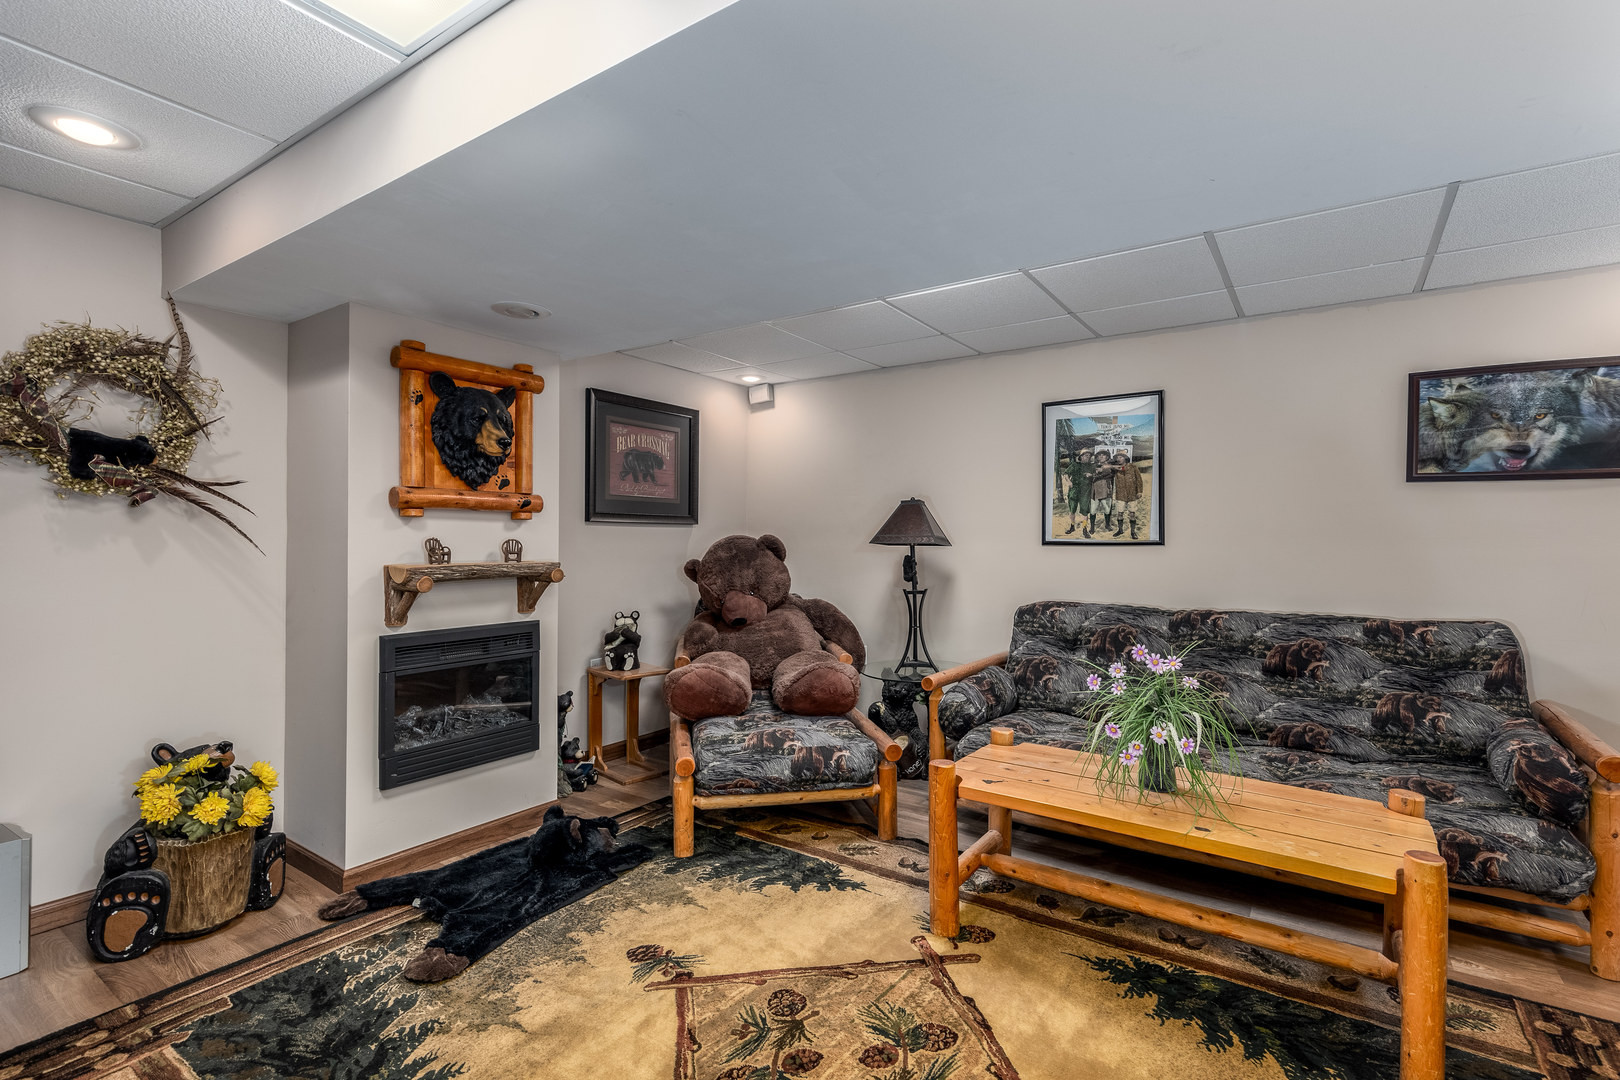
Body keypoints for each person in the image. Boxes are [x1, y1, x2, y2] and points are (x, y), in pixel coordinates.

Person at [1107, 450, 1145, 539]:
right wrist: (1113, 465)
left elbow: (1139, 479)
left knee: (1132, 514)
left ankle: (1133, 532)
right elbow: (1105, 466)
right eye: (1117, 457)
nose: (1119, 459)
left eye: (1121, 457)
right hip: (1120, 494)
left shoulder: (1133, 466)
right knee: (1120, 513)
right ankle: (1120, 530)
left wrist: (1139, 491)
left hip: (1132, 494)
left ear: (1125, 458)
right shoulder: (1115, 468)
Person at [1062, 448, 1096, 536]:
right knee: (1072, 509)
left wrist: (1091, 475)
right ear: (1081, 457)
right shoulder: (1075, 464)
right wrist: (1069, 482)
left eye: (1089, 456)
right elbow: (1066, 474)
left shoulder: (1091, 466)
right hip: (1074, 490)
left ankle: (1084, 529)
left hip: (1085, 490)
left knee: (1085, 511)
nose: (1087, 457)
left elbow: (1097, 474)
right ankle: (1072, 526)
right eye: (1085, 455)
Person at [1088, 456, 1116, 539]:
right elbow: (1088, 475)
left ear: (1106, 457)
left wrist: (1096, 474)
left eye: (1103, 455)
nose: (1101, 457)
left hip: (1106, 490)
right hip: (1095, 491)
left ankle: (1107, 525)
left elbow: (1111, 474)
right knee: (1093, 510)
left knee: (1107, 509)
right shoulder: (1093, 466)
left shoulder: (1110, 466)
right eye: (1099, 455)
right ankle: (1092, 527)